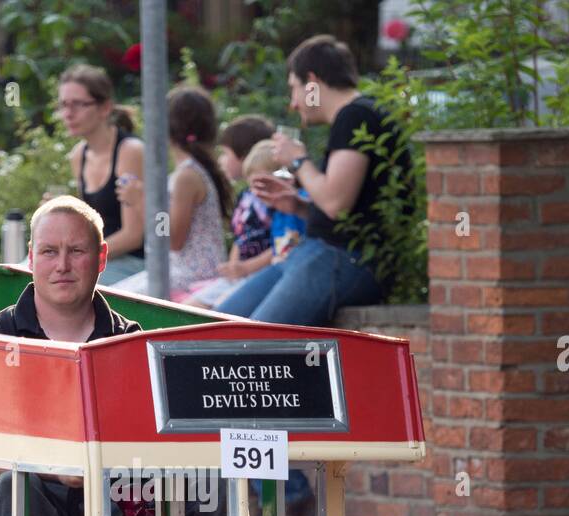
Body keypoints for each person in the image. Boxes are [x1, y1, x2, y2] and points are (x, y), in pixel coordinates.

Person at [0, 196, 140, 516]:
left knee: (205, 477)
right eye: (49, 251)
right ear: (31, 257)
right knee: (15, 486)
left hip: (112, 515)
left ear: (102, 257)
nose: (62, 265)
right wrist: (56, 471)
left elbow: (142, 441)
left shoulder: (127, 341)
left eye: (76, 251)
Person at [215, 34, 414, 325]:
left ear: (312, 82)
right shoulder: (356, 116)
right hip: (315, 254)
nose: (294, 103)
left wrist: (297, 160)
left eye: (294, 89)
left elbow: (335, 202)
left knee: (249, 341)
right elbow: (349, 210)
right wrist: (298, 206)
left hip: (337, 260)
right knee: (216, 325)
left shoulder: (356, 116)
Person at [110, 85, 231, 301]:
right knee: (113, 295)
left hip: (192, 275)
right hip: (180, 271)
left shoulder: (187, 177)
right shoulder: (191, 171)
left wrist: (143, 201)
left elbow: (172, 239)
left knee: (116, 300)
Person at [58, 64, 145, 285]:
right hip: (99, 258)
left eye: (78, 104)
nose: (68, 113)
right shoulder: (78, 155)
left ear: (105, 108)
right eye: (64, 105)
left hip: (134, 263)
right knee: (23, 272)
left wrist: (78, 256)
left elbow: (134, 235)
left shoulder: (130, 151)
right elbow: (90, 222)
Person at [186, 135, 280, 308]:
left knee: (222, 306)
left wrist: (246, 268)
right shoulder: (246, 197)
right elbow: (240, 237)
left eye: (263, 183)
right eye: (253, 183)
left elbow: (279, 247)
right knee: (190, 306)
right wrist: (234, 265)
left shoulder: (281, 206)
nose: (257, 191)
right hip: (239, 273)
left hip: (261, 274)